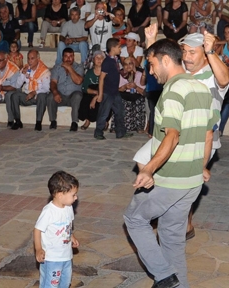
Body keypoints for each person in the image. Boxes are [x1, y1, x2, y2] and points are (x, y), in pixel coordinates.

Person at [124, 38, 218, 288]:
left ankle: (164, 276)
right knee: (171, 239)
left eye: (152, 65)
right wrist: (200, 166)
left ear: (166, 60)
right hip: (192, 181)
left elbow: (172, 135)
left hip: (171, 179)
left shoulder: (174, 90)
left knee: (134, 218)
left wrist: (149, 168)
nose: (151, 72)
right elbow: (209, 134)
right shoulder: (200, 88)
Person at [34, 170, 80, 288]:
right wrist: (38, 249)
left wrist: (71, 236)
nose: (76, 197)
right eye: (73, 194)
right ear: (60, 195)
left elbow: (67, 226)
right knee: (50, 284)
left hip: (66, 256)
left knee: (65, 282)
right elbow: (37, 230)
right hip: (51, 258)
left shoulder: (68, 208)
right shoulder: (49, 212)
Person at [93, 38, 132, 140]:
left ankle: (120, 132)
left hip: (115, 92)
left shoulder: (115, 60)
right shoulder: (107, 62)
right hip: (107, 93)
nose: (120, 49)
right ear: (113, 48)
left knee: (120, 112)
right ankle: (98, 132)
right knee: (104, 113)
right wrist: (101, 94)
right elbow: (101, 78)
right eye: (119, 47)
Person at [10, 49, 50, 131]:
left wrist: (35, 92)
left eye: (32, 58)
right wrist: (22, 74)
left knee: (42, 96)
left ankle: (38, 123)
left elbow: (47, 88)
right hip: (27, 96)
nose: (30, 61)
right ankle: (17, 121)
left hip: (37, 97)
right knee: (14, 95)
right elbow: (17, 85)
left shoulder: (44, 71)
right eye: (28, 58)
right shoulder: (26, 69)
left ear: (38, 59)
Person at [48, 47, 83, 131]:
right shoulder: (57, 67)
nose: (68, 58)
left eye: (71, 56)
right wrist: (55, 93)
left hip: (73, 97)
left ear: (73, 57)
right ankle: (53, 121)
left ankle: (74, 122)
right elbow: (53, 82)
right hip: (61, 96)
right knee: (50, 96)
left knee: (78, 95)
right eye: (66, 56)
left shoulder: (79, 67)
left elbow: (78, 81)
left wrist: (70, 68)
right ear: (62, 57)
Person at [113, 56, 145, 133]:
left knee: (139, 101)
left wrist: (136, 87)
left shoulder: (140, 74)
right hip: (124, 95)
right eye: (126, 64)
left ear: (134, 64)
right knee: (119, 100)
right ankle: (118, 126)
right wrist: (124, 87)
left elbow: (143, 92)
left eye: (130, 64)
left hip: (136, 95)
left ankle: (139, 126)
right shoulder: (120, 74)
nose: (128, 66)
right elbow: (116, 89)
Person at [78, 50, 104, 131]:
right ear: (93, 60)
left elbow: (108, 88)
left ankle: (105, 121)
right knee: (86, 99)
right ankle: (87, 120)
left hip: (104, 93)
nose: (99, 60)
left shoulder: (106, 73)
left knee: (105, 100)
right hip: (93, 91)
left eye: (101, 58)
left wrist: (97, 96)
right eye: (97, 58)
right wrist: (95, 92)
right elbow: (84, 87)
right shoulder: (89, 73)